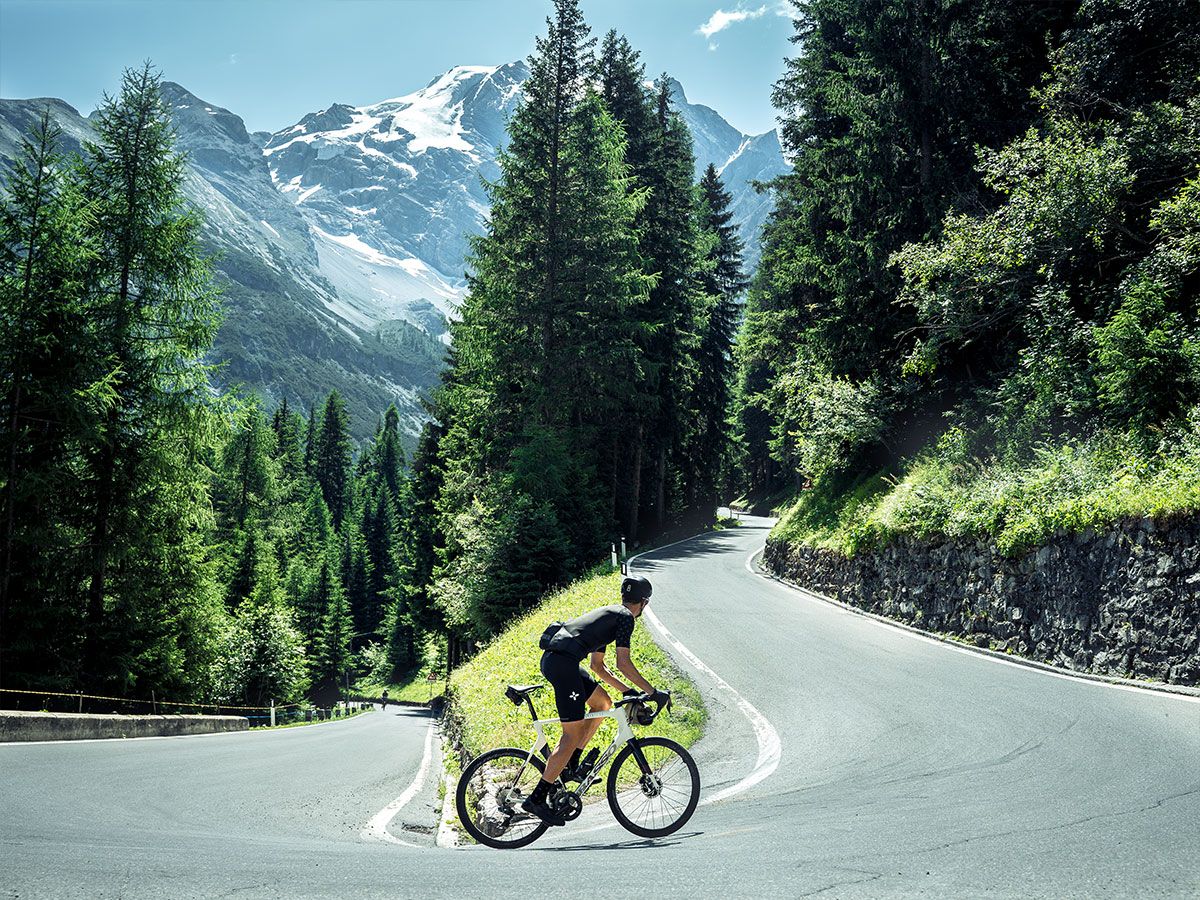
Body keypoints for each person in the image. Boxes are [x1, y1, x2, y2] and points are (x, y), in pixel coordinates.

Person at [521, 574, 665, 826]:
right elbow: (623, 663)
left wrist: (627, 692)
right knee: (570, 735)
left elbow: (597, 667)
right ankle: (536, 798)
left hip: (560, 661)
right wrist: (652, 692)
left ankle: (571, 766)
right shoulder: (625, 619)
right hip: (563, 665)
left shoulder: (611, 614)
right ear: (644, 603)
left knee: (602, 704)